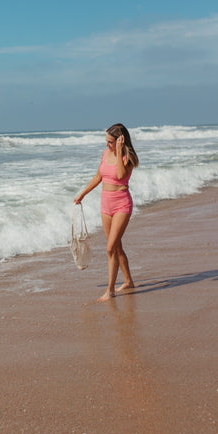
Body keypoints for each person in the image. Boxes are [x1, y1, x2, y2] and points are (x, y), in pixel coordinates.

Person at [74, 123, 139, 302]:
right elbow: (98, 176)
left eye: (111, 142)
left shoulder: (129, 157)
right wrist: (83, 194)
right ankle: (128, 281)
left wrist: (118, 151)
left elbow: (119, 175)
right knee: (116, 247)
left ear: (120, 140)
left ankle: (110, 290)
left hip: (122, 205)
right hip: (106, 204)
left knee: (110, 248)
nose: (107, 145)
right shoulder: (105, 153)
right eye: (107, 142)